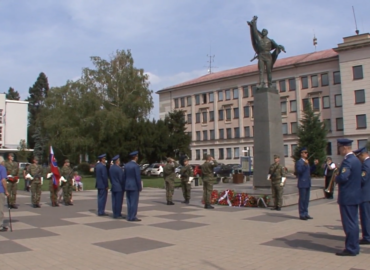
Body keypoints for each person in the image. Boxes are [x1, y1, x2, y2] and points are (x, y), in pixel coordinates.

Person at [335, 139, 362, 256]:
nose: (339, 150)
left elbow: (344, 177)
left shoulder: (347, 161)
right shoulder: (356, 160)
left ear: (345, 148)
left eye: (340, 148)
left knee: (349, 223)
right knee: (354, 222)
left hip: (347, 197)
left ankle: (351, 248)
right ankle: (354, 246)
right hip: (355, 196)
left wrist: (337, 177)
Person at [353, 147, 370, 245]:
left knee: (365, 217)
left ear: (362, 155)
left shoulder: (366, 165)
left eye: (358, 156)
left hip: (365, 195)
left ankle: (367, 237)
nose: (358, 159)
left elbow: (362, 179)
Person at [123, 151, 142, 222]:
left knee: (129, 202)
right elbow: (137, 177)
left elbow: (124, 176)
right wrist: (139, 186)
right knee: (134, 202)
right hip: (134, 186)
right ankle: (133, 216)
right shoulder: (136, 166)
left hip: (127, 185)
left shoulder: (126, 165)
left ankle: (129, 215)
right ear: (135, 157)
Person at [295, 147, 312, 220]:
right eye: (305, 152)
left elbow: (309, 171)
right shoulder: (299, 162)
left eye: (307, 152)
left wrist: (314, 165)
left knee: (306, 199)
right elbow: (299, 171)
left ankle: (306, 213)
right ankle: (302, 214)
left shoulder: (306, 161)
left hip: (307, 183)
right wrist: (304, 165)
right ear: (301, 154)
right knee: (302, 199)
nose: (306, 154)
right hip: (302, 182)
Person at [0, 156, 9, 232]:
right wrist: (6, 190)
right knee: (0, 209)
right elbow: (3, 180)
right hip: (0, 190)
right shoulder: (2, 168)